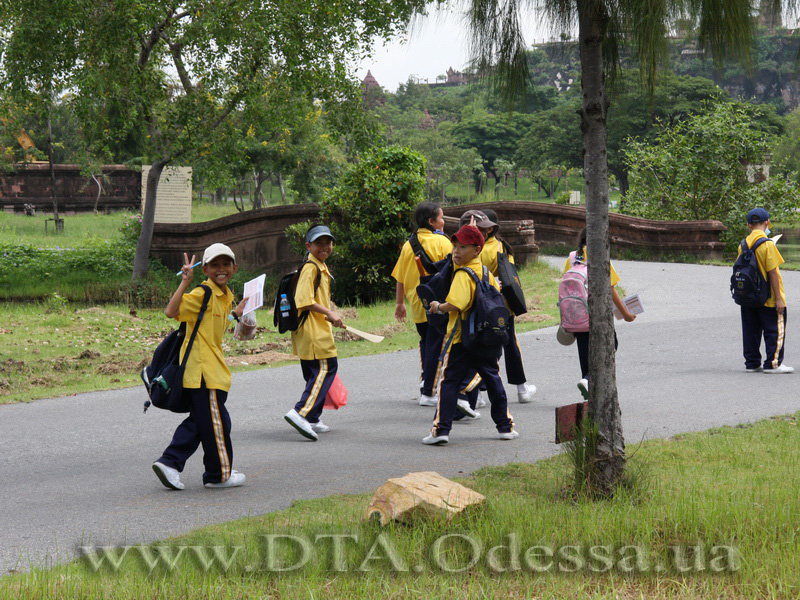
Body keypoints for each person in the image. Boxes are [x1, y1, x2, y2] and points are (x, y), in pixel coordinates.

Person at [152, 243, 248, 490]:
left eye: (226, 264)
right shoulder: (202, 293)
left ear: (234, 268)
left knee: (211, 421)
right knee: (212, 422)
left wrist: (236, 315)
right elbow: (171, 311)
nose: (221, 269)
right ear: (204, 268)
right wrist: (185, 281)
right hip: (203, 372)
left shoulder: (224, 295)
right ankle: (212, 473)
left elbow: (215, 324)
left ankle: (188, 466)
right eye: (215, 265)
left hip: (212, 370)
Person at [423, 225, 518, 445]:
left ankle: (441, 431)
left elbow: (455, 304)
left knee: (448, 383)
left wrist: (438, 306)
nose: (456, 251)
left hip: (461, 339)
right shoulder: (486, 273)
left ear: (477, 250)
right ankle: (505, 426)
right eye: (455, 246)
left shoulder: (463, 274)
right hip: (486, 339)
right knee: (493, 379)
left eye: (463, 247)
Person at [284, 224, 346, 441]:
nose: (324, 247)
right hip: (313, 329)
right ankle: (300, 412)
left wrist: (330, 314)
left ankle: (312, 417)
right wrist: (329, 312)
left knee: (313, 373)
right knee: (327, 367)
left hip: (313, 328)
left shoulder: (319, 266)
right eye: (318, 243)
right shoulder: (311, 268)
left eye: (327, 242)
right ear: (308, 245)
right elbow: (304, 301)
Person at [392, 202, 453, 406]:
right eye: (441, 217)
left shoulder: (408, 245)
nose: (443, 221)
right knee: (438, 345)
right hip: (438, 304)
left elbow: (399, 277)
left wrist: (400, 303)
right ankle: (429, 392)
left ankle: (426, 381)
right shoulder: (443, 243)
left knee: (426, 342)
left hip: (418, 303)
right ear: (431, 221)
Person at [563, 228, 636, 399]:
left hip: (577, 314)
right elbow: (611, 289)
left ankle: (587, 386)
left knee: (584, 350)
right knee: (611, 344)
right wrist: (626, 314)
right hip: (599, 313)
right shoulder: (600, 256)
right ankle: (589, 379)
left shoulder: (572, 257)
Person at [481, 208, 537, 404]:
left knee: (483, 347)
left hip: (479, 307)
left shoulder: (471, 248)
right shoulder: (500, 247)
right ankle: (521, 389)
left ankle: (478, 391)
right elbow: (510, 278)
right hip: (502, 306)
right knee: (510, 345)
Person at [738, 208, 793, 374]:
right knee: (774, 329)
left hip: (748, 296)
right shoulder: (767, 244)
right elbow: (773, 273)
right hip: (767, 297)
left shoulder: (743, 244)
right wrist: (778, 299)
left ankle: (752, 363)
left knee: (750, 330)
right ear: (767, 222)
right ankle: (773, 363)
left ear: (749, 225)